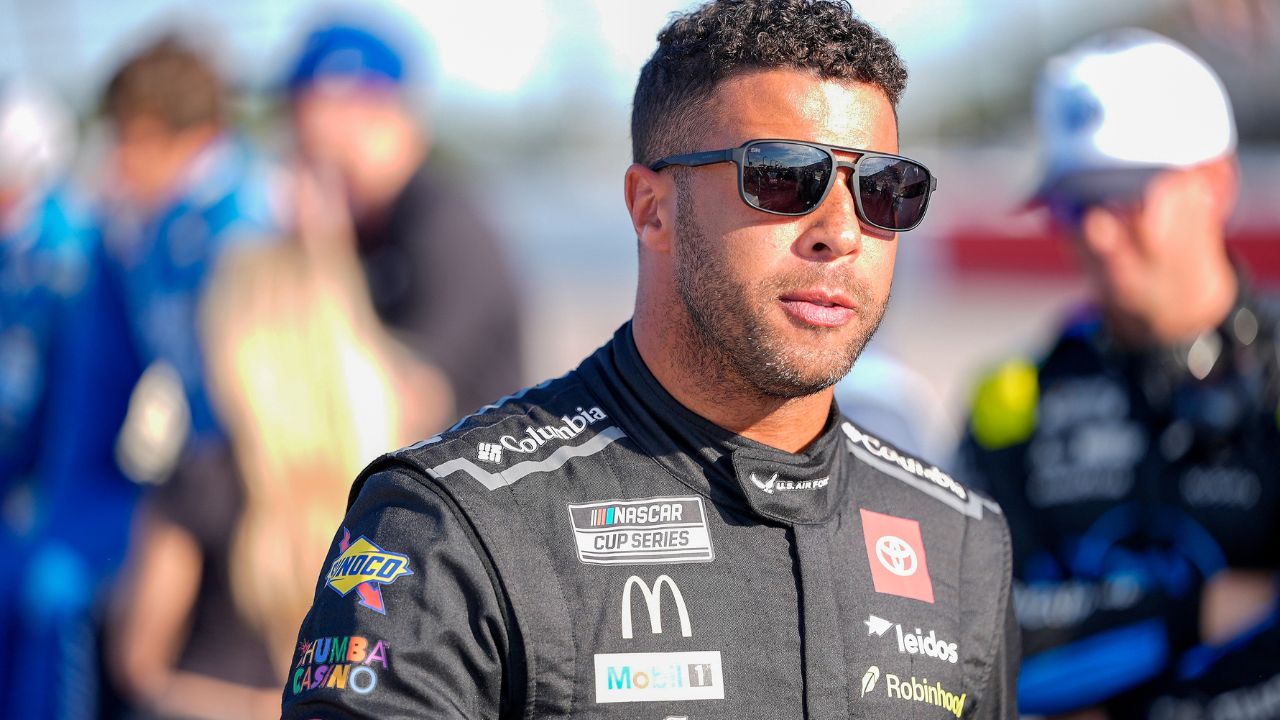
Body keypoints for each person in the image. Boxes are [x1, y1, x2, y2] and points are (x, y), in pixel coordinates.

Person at [283, 1, 1019, 717]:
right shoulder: (448, 526)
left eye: (884, 190)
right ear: (650, 208)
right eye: (785, 178)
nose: (842, 231)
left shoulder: (960, 542)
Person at [954, 29, 1280, 719]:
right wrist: (1198, 612)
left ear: (1216, 185)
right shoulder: (1013, 399)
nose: (1096, 232)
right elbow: (969, 646)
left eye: (1126, 195)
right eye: (1074, 201)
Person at [285, 20, 525, 417]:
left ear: (384, 118)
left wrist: (324, 256)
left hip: (469, 469)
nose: (313, 175)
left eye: (326, 154)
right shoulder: (363, 225)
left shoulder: (444, 226)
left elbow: (408, 400)